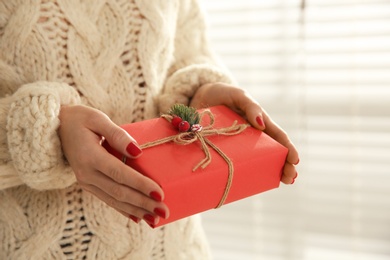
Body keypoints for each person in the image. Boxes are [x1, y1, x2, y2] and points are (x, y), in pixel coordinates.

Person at [0, 0, 299, 259]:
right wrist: (40, 131)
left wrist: (199, 93)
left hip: (173, 247)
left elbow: (188, 54)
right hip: (31, 246)